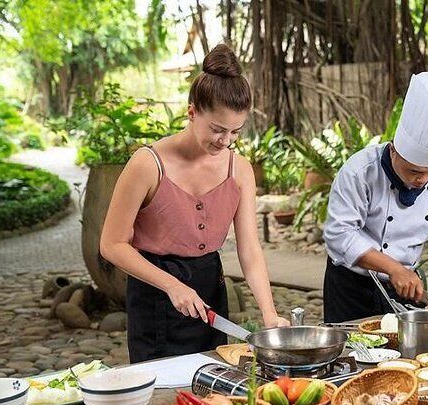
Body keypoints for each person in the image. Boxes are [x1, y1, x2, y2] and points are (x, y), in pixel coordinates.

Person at [100, 44, 289, 363]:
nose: (225, 141)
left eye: (235, 132)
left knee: (212, 384)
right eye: (217, 129)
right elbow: (112, 244)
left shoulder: (239, 169)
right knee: (160, 394)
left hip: (210, 289)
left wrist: (269, 314)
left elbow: (250, 250)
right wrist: (171, 285)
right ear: (191, 112)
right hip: (156, 292)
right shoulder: (147, 164)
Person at [323, 72, 428, 323]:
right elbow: (340, 234)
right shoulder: (359, 172)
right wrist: (393, 267)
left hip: (404, 286)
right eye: (414, 171)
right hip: (350, 286)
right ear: (393, 151)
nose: (422, 180)